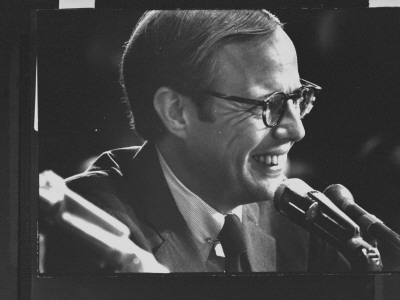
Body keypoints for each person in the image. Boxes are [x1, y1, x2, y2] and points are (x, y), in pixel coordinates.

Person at [41, 9, 350, 273]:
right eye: (268, 104)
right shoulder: (87, 221)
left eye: (299, 98)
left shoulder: (299, 225)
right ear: (176, 112)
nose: (296, 130)